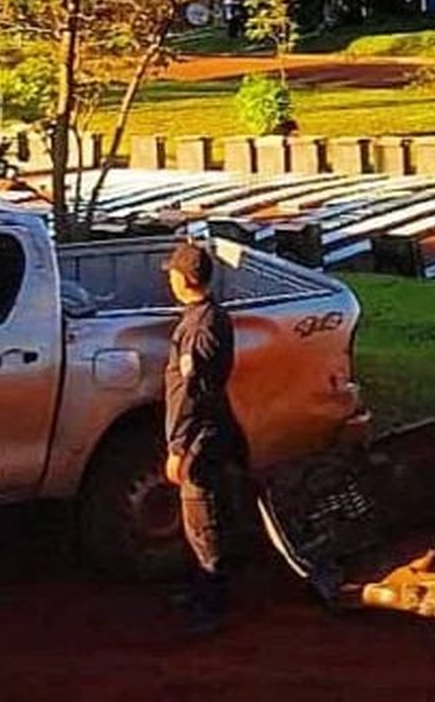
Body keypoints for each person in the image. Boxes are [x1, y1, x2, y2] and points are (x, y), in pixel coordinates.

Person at [163, 238, 248, 634]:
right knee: (205, 515)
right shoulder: (213, 317)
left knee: (202, 518)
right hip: (212, 427)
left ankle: (212, 606)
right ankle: (203, 591)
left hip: (200, 434)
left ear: (183, 280)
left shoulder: (198, 328)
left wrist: (179, 446)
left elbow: (190, 392)